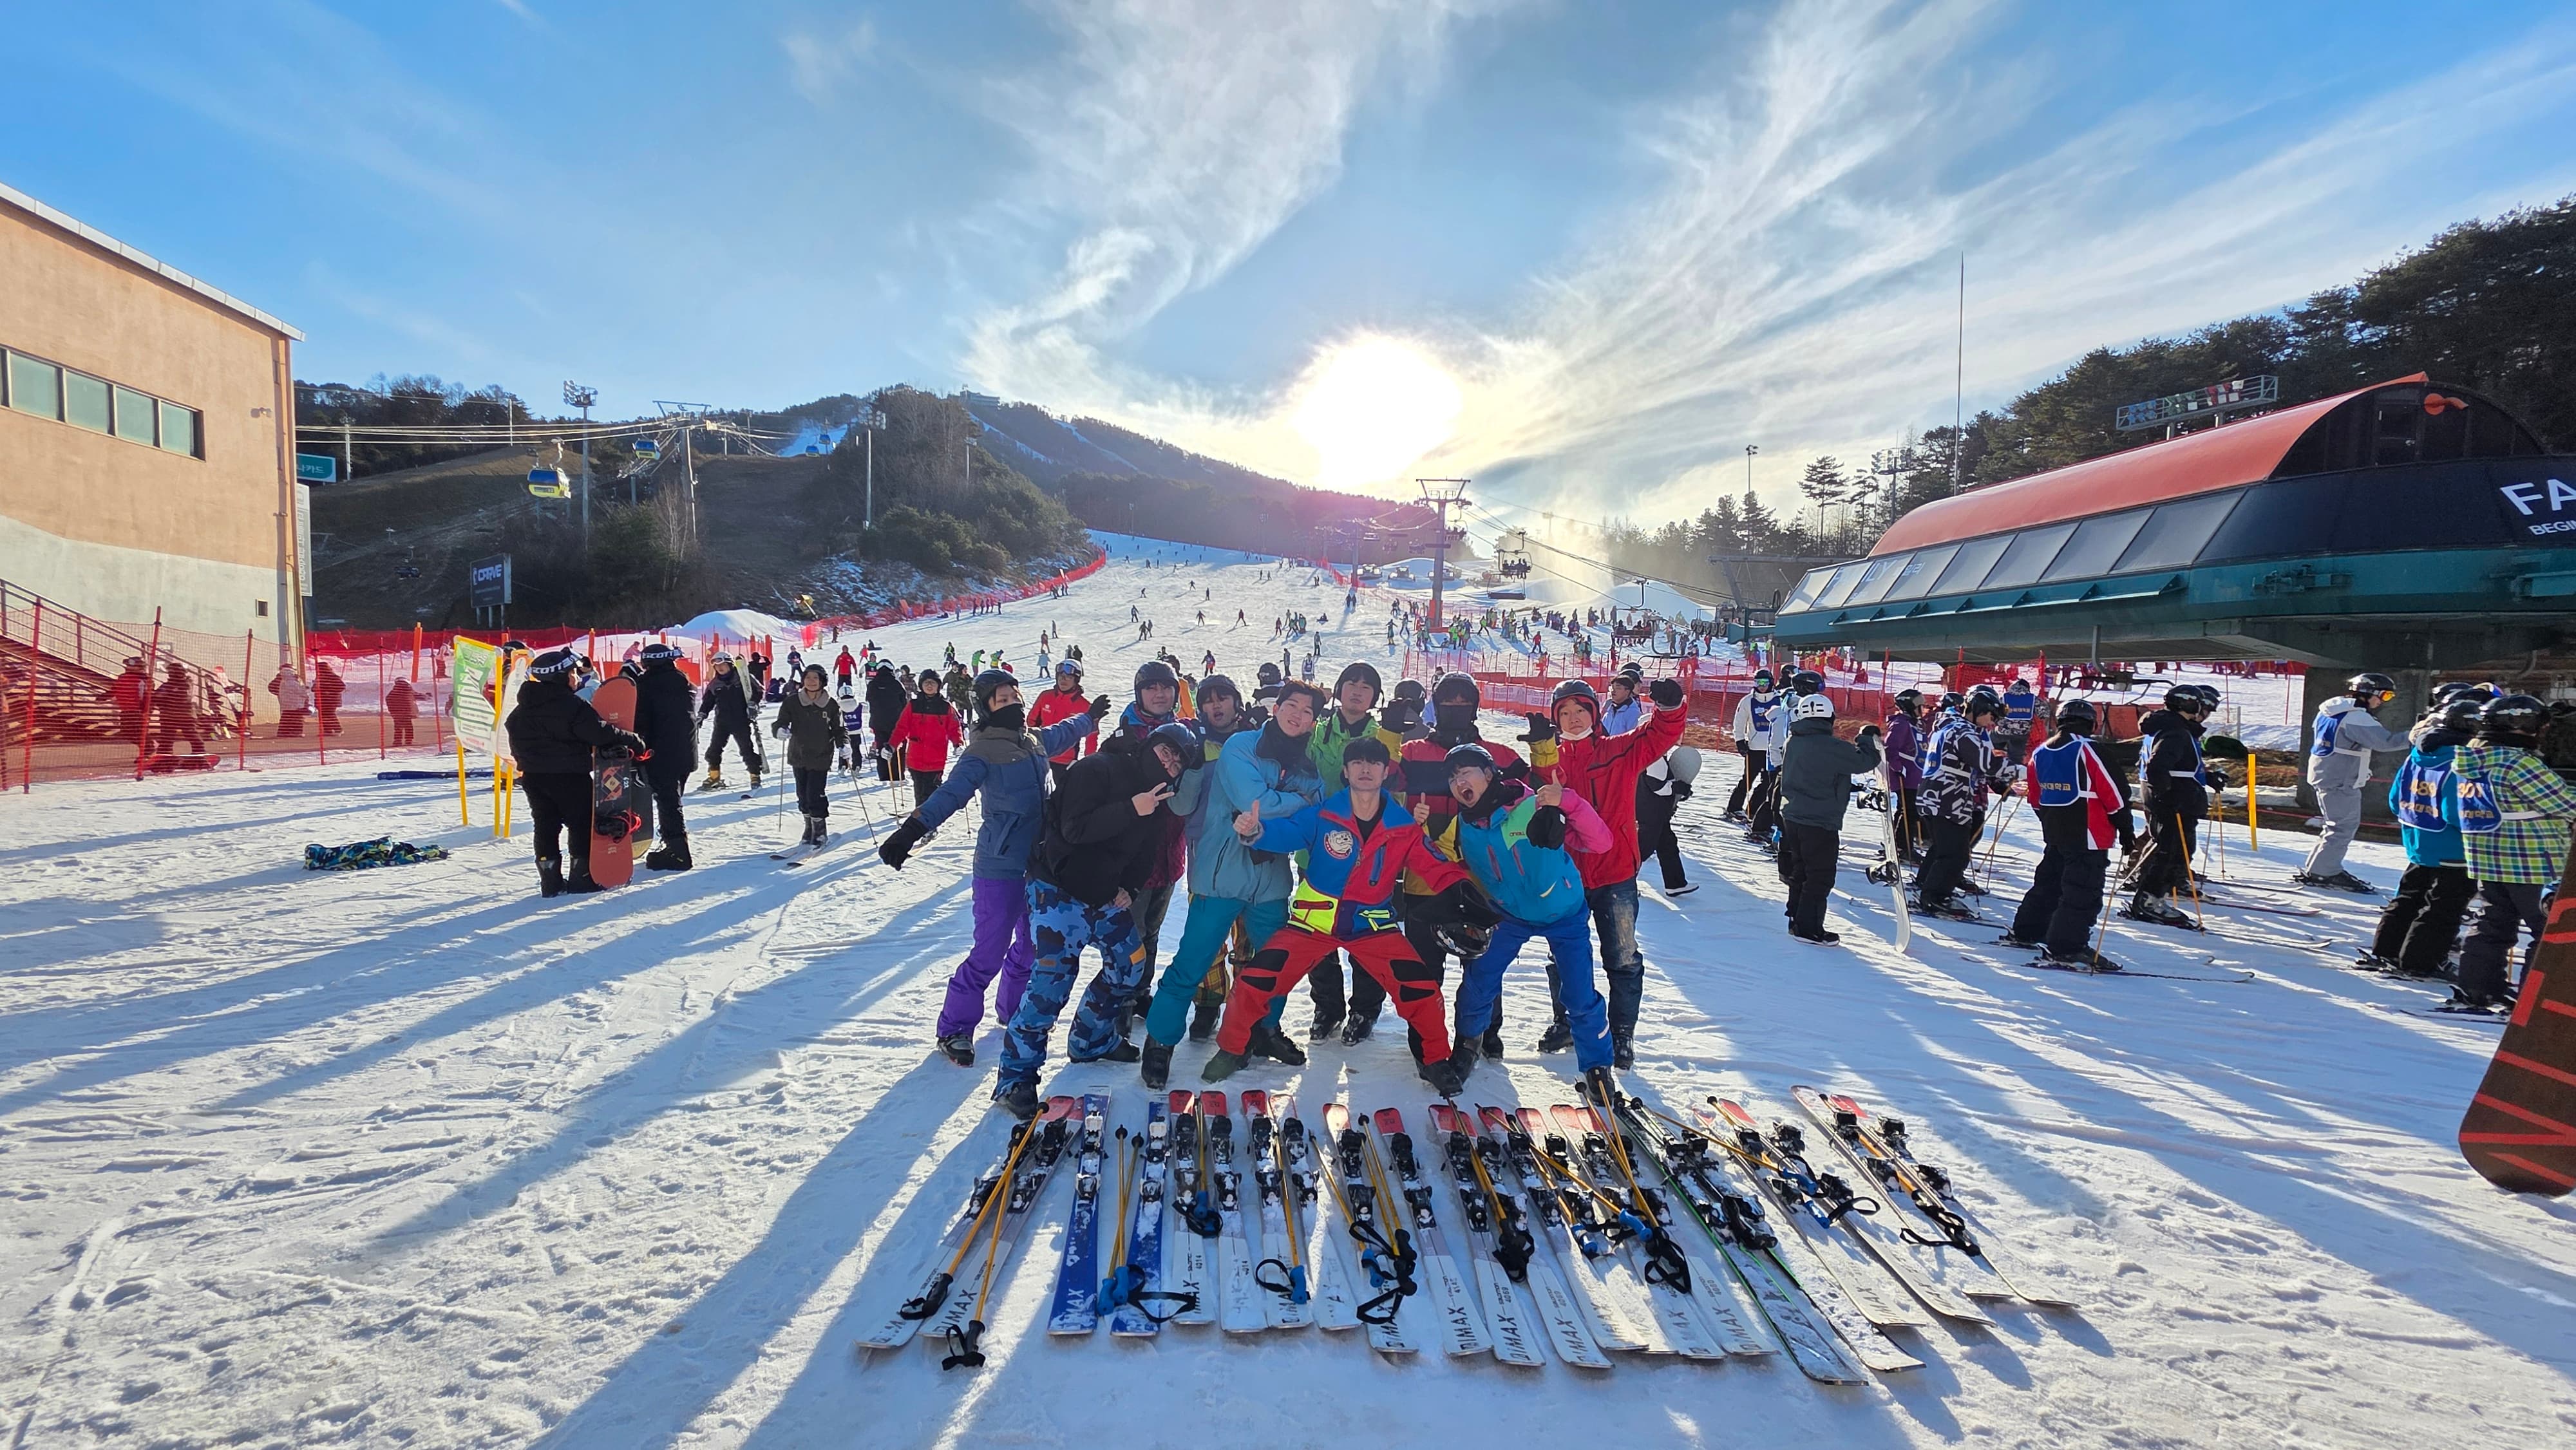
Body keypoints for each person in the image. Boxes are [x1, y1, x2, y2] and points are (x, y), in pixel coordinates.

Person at [1200, 735, 1472, 1092]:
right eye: (1357, 762)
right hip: (1313, 926)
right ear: (1345, 771)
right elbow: (1287, 833)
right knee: (1256, 982)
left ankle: (1435, 1059)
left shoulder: (1402, 826)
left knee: (1420, 989)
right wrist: (1256, 831)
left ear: (1385, 771)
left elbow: (1435, 866)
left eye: (1373, 762)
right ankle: (1232, 1049)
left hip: (1372, 928)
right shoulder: (1323, 815)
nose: (1365, 769)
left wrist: (1466, 892)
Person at [879, 668, 1107, 1065]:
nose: (1013, 704)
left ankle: (1012, 1012)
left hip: (1041, 866)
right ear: (985, 707)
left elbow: (1064, 731)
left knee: (1031, 947)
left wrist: (1091, 718)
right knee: (989, 952)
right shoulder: (981, 752)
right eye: (1001, 700)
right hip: (1000, 866)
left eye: (1015, 696)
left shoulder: (1033, 740)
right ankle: (955, 1028)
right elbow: (951, 794)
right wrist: (911, 830)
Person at [989, 720, 1194, 1120]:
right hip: (1058, 889)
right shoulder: (1097, 769)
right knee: (1051, 984)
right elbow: (1074, 828)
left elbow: (1146, 854)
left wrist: (1130, 889)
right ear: (1150, 745)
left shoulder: (1157, 800)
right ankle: (1016, 1077)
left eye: (1176, 763)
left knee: (1130, 965)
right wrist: (1131, 808)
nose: (1169, 763)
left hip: (1103, 895)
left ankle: (1091, 1039)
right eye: (1165, 751)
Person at [1134, 676, 1323, 1088]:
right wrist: (1296, 801)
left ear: (1312, 723)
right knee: (1193, 962)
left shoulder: (1307, 765)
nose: (1298, 715)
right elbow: (1254, 803)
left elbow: (1316, 813)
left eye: (1307, 711)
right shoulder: (1241, 746)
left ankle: (1263, 1031)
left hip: (1271, 880)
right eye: (1292, 705)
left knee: (1274, 964)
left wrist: (1293, 806)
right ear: (1276, 708)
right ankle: (1160, 1042)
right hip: (1221, 875)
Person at [1529, 673, 1687, 1067]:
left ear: (1594, 713)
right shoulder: (1552, 763)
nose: (1573, 718)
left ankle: (1621, 1033)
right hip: (1568, 878)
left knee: (1622, 956)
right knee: (1565, 956)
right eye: (1564, 712)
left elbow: (1659, 734)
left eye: (1581, 709)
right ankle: (1567, 1022)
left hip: (1616, 873)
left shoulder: (1618, 750)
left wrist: (1669, 706)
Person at [1444, 745, 1618, 1099]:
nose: (1459, 781)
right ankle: (1467, 1046)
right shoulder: (1462, 824)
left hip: (1564, 913)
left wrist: (1567, 803)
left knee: (1580, 994)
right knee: (1479, 982)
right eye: (1453, 777)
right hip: (1509, 915)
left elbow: (1601, 843)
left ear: (1489, 775)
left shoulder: (1533, 806)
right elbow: (1447, 863)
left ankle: (1597, 1068)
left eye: (1467, 772)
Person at [2450, 695, 2576, 1012]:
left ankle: (2478, 989)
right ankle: (2532, 1003)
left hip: (2489, 857)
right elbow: (2564, 802)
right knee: (2546, 930)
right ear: (2524, 726)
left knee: (2493, 925)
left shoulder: (2476, 757)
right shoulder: (2517, 763)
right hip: (2532, 861)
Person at [1300, 662, 1406, 1039]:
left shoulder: (1386, 736)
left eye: (1367, 687)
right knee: (1317, 933)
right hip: (1320, 851)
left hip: (1370, 854)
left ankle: (1365, 1010)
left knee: (1368, 933)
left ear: (1376, 697)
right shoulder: (1316, 733)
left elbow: (1397, 788)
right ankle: (1327, 1006)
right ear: (1339, 689)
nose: (1358, 692)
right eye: (1351, 684)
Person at [503, 649, 646, 896]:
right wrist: (632, 740)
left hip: (534, 778)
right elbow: (598, 732)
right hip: (569, 776)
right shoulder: (570, 706)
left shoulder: (521, 709)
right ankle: (581, 877)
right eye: (572, 672)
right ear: (561, 677)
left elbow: (515, 740)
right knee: (581, 824)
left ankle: (550, 881)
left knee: (545, 825)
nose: (576, 677)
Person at [2005, 698, 2134, 968]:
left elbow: (2036, 797)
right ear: (2090, 723)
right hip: (2088, 829)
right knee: (2083, 889)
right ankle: (2067, 946)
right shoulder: (2088, 748)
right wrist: (2125, 828)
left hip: (2056, 828)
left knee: (2049, 881)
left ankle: (2028, 929)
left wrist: (2051, 821)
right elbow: (2115, 792)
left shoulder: (2041, 751)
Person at [2361, 693, 2483, 978]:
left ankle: (2386, 950)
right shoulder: (2463, 760)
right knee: (2443, 909)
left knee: (2408, 898)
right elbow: (2456, 811)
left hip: (2419, 841)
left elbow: (2395, 799)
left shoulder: (2419, 753)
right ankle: (2421, 961)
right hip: (2454, 847)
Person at [1773, 694, 1882, 943]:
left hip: (1794, 815)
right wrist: (1867, 737)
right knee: (1820, 875)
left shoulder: (1794, 740)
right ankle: (1808, 928)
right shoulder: (1829, 746)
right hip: (1819, 820)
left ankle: (1797, 916)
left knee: (1801, 869)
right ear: (1829, 718)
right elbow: (1864, 761)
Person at [2295, 672, 2407, 892]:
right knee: (2342, 828)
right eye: (2384, 696)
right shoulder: (2356, 717)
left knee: (2335, 826)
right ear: (2369, 693)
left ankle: (2320, 868)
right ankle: (2324, 872)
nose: (2382, 702)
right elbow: (2386, 742)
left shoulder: (2331, 710)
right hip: (2340, 779)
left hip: (2329, 774)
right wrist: (2418, 735)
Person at [1914, 689, 2016, 919]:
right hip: (1947, 798)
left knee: (1946, 849)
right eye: (1991, 717)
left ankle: (1932, 891)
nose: (1992, 724)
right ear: (1979, 709)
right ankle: (1935, 897)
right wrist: (2018, 770)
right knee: (1956, 853)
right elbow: (1985, 762)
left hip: (1942, 797)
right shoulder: (1962, 731)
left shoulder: (1951, 726)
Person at [2126, 686, 2218, 928]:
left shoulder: (2176, 729)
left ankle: (2157, 894)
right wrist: (2168, 795)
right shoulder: (2176, 731)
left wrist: (2206, 778)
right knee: (2168, 849)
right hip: (2173, 802)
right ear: (2188, 706)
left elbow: (2181, 766)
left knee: (2176, 848)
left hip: (2176, 799)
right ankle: (2148, 899)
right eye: (2200, 705)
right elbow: (2158, 767)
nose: (2202, 711)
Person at [630, 643, 700, 871]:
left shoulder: (646, 686)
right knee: (672, 800)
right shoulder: (684, 682)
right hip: (686, 753)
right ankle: (673, 844)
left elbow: (642, 722)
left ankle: (678, 853)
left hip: (660, 755)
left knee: (668, 802)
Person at [770, 665, 848, 849]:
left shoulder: (831, 704)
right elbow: (781, 722)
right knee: (802, 795)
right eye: (808, 678)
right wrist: (779, 730)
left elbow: (839, 729)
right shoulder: (792, 702)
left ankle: (820, 831)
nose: (811, 681)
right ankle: (809, 828)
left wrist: (843, 744)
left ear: (822, 682)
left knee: (815, 794)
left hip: (821, 755)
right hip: (798, 754)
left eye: (815, 678)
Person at [888, 666, 965, 808]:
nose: (929, 686)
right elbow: (901, 728)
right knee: (920, 792)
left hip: (936, 759)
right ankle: (921, 823)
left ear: (938, 686)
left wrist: (958, 744)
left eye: (933, 683)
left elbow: (954, 728)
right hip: (915, 759)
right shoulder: (913, 706)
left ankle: (931, 822)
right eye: (926, 683)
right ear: (921, 685)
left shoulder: (946, 707)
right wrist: (892, 745)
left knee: (933, 793)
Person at [696, 654, 763, 792]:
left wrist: (753, 704)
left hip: (741, 721)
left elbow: (759, 691)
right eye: (717, 666)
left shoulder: (743, 679)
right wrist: (702, 715)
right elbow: (708, 702)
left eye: (723, 665)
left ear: (730, 665)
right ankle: (714, 777)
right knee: (714, 750)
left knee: (746, 750)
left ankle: (755, 775)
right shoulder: (715, 684)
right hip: (722, 722)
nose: (720, 668)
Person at [1636, 743, 1696, 897]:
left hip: (1653, 813)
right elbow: (1658, 787)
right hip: (1651, 814)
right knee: (1640, 851)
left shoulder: (1643, 754)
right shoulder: (1655, 758)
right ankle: (1621, 884)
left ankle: (1676, 884)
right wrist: (1680, 788)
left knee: (1668, 845)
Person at [1727, 669, 1783, 827]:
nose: (1762, 686)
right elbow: (1739, 722)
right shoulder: (1747, 701)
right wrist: (1740, 740)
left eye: (1765, 683)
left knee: (1768, 783)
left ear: (1771, 683)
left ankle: (1754, 811)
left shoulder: (1779, 700)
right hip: (1754, 748)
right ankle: (1734, 808)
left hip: (1773, 750)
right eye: (1758, 683)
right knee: (1748, 780)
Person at [1028, 659, 1095, 790]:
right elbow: (1031, 722)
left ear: (1076, 680)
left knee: (1064, 800)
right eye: (1061, 676)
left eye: (1068, 677)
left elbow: (1092, 736)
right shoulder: (1045, 697)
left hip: (1066, 762)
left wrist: (1091, 762)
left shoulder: (1084, 705)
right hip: (1042, 757)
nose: (1063, 680)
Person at [1881, 689, 1926, 862]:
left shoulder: (1914, 724)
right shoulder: (1901, 723)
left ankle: (1902, 844)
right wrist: (1899, 767)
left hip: (1915, 774)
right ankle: (1902, 847)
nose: (1921, 710)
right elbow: (1891, 748)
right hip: (1905, 775)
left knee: (1910, 810)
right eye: (1918, 706)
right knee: (1908, 811)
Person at [147, 661, 205, 758]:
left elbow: (184, 697)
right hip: (169, 715)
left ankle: (199, 755)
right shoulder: (167, 685)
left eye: (173, 672)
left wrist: (164, 698)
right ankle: (165, 757)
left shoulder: (186, 684)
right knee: (167, 738)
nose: (171, 674)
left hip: (184, 715)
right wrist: (154, 694)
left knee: (191, 735)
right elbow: (156, 697)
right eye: (170, 672)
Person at [864, 663, 908, 782]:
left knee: (882, 748)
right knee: (897, 747)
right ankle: (898, 776)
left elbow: (869, 702)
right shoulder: (896, 684)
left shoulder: (872, 684)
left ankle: (884, 776)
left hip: (878, 723)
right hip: (896, 724)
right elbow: (905, 704)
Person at [1996, 676, 2038, 765]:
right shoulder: (2033, 699)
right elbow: (2044, 713)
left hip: (2003, 731)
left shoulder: (2004, 697)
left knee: (1993, 741)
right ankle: (2014, 770)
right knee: (2016, 757)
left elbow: (1996, 712)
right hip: (2022, 733)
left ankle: (1995, 760)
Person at [1599, 664, 1645, 736]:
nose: (1613, 692)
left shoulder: (1633, 712)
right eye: (1612, 688)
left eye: (1617, 688)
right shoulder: (1610, 706)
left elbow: (1633, 738)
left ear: (1627, 690)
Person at [111, 658, 147, 745]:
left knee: (138, 733)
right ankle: (149, 748)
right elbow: (115, 689)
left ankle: (150, 748)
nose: (128, 668)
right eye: (128, 666)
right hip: (125, 709)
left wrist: (144, 709)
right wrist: (103, 697)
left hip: (136, 711)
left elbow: (145, 695)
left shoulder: (143, 679)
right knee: (127, 733)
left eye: (131, 666)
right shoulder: (122, 678)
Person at [270, 663, 312, 738]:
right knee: (297, 718)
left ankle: (283, 732)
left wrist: (280, 694)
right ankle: (296, 732)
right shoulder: (293, 681)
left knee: (286, 717)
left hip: (285, 703)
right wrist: (306, 690)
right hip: (296, 703)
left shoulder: (281, 679)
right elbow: (301, 691)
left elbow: (272, 688)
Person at [312, 659, 346, 736]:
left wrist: (329, 691)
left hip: (331, 700)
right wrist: (315, 688)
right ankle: (328, 730)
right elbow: (314, 688)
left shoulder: (333, 677)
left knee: (330, 714)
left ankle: (338, 729)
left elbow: (341, 687)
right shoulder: (319, 678)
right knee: (323, 715)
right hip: (321, 699)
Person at [387, 675, 418, 748]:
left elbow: (388, 699)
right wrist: (426, 697)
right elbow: (417, 696)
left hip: (397, 713)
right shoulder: (409, 690)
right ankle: (409, 740)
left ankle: (397, 741)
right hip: (407, 712)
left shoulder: (394, 691)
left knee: (398, 727)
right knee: (409, 727)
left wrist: (392, 710)